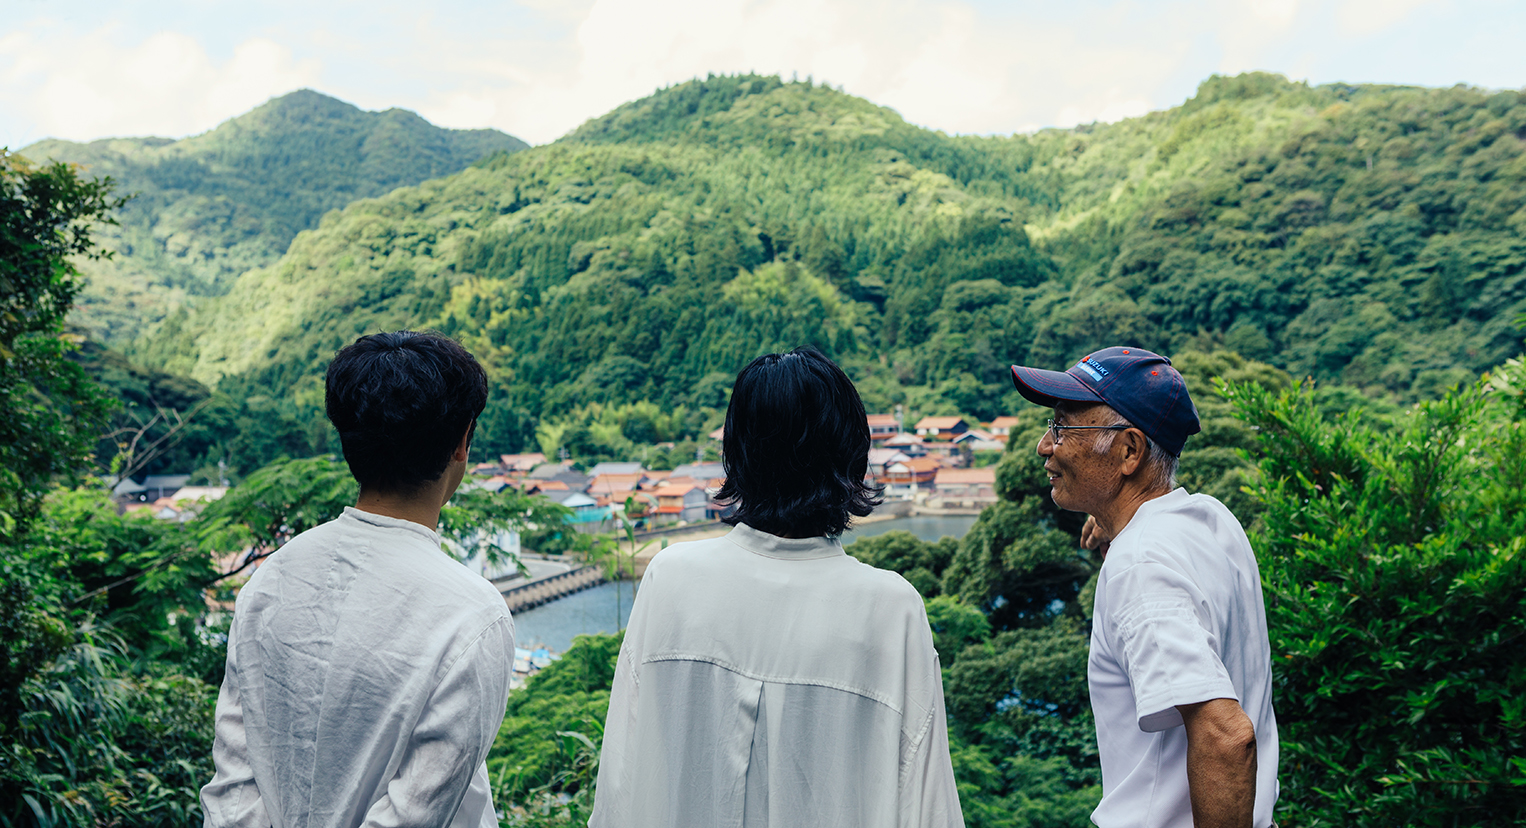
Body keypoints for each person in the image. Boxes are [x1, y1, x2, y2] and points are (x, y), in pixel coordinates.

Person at [590, 347, 964, 828]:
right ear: (852, 453)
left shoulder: (671, 578)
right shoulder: (889, 609)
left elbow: (620, 780)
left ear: (737, 453)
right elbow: (927, 804)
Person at [201, 331, 514, 828]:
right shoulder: (473, 613)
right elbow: (416, 813)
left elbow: (234, 781)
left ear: (347, 435)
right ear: (462, 440)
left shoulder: (272, 579)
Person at [1008, 346, 1278, 828]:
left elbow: (1226, 736)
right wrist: (1114, 520)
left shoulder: (1141, 565)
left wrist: (1127, 544)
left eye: (1064, 428)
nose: (1045, 446)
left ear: (1129, 450)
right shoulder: (1212, 521)